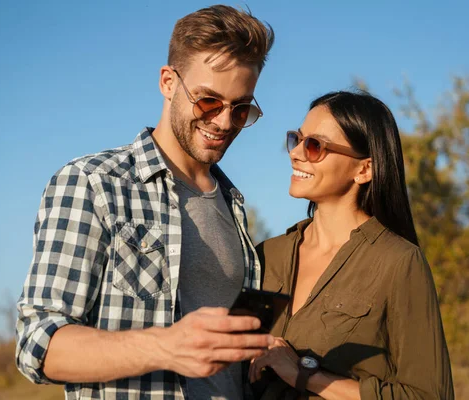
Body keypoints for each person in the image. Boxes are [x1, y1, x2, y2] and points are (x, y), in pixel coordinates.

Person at [15, 5, 275, 399]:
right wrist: (166, 346)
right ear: (168, 83)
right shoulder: (94, 182)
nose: (223, 122)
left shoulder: (232, 202)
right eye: (208, 101)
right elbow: (39, 343)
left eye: (240, 109)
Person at [249, 91, 454, 399]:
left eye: (315, 146)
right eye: (297, 139)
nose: (295, 153)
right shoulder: (266, 254)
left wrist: (305, 375)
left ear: (364, 170)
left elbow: (429, 395)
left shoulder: (398, 262)